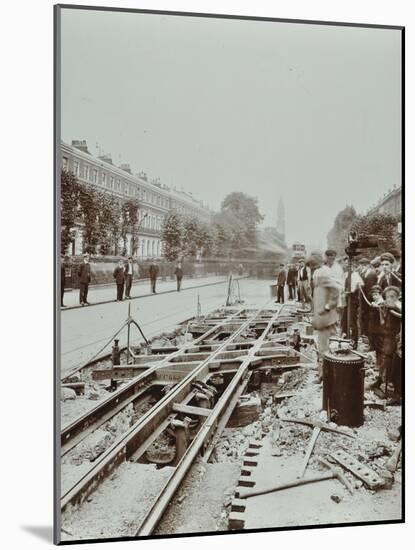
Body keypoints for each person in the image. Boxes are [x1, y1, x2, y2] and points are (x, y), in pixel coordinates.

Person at [312, 265, 340, 378]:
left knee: (326, 348)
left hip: (327, 320)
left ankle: (325, 375)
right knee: (322, 347)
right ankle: (323, 373)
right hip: (322, 320)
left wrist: (329, 305)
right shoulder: (317, 274)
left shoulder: (324, 274)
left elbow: (336, 289)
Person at [341, 262, 363, 348]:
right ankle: (345, 336)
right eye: (346, 265)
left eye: (350, 265)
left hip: (353, 301)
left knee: (352, 321)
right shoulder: (346, 274)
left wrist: (353, 290)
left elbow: (359, 285)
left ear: (354, 266)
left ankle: (354, 341)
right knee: (344, 319)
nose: (348, 266)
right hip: (346, 300)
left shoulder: (356, 275)